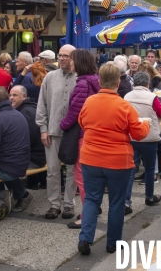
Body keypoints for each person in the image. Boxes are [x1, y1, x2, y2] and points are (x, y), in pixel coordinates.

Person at [77, 63, 150, 255]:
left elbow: (82, 123)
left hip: (91, 157)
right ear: (118, 82)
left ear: (100, 81)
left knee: (92, 199)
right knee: (116, 202)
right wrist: (146, 125)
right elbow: (139, 133)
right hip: (118, 161)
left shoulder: (89, 101)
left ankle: (85, 238)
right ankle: (112, 243)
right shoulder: (124, 105)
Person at [59, 50, 101, 228]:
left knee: (81, 177)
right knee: (90, 177)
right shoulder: (95, 81)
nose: (70, 63)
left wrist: (61, 125)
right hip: (93, 134)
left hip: (82, 135)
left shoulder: (82, 84)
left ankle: (86, 216)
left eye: (73, 60)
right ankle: (92, 209)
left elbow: (75, 112)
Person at [36, 44, 78, 220]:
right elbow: (42, 105)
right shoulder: (50, 77)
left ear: (73, 58)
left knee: (72, 171)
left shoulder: (81, 78)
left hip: (73, 133)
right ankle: (54, 204)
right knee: (52, 170)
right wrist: (43, 129)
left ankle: (69, 204)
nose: (61, 58)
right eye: (60, 55)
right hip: (53, 131)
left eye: (65, 56)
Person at [0, 87, 32, 220]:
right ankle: (22, 194)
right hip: (22, 163)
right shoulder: (17, 114)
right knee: (1, 164)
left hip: (9, 167)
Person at [124, 71, 161, 214]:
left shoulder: (127, 96)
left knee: (130, 169)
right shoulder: (152, 97)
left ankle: (126, 201)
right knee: (150, 169)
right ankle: (149, 196)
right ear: (147, 83)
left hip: (132, 136)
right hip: (149, 136)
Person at [9, 85, 46, 193]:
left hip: (35, 158)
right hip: (37, 155)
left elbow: (26, 140)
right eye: (10, 95)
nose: (11, 98)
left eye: (15, 95)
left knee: (2, 166)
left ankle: (19, 195)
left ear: (24, 97)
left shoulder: (27, 113)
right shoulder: (26, 109)